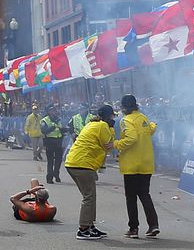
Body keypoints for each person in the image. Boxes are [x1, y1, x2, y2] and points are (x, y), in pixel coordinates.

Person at [107, 94, 159, 239]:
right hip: (146, 163)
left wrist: (116, 144)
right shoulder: (143, 118)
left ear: (123, 107)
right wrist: (153, 124)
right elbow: (151, 129)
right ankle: (153, 225)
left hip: (132, 164)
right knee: (144, 194)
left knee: (131, 197)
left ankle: (133, 228)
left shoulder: (126, 120)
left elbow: (132, 138)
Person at [65, 104, 115, 240]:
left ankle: (90, 226)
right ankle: (83, 229)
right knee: (89, 197)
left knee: (90, 197)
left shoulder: (91, 124)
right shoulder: (103, 126)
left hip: (75, 162)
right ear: (108, 116)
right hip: (82, 164)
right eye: (112, 116)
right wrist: (111, 128)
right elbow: (108, 145)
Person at [41, 104, 65, 184]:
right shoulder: (44, 120)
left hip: (58, 142)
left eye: (54, 110)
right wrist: (52, 127)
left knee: (59, 160)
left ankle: (56, 174)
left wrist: (64, 130)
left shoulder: (58, 119)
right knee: (50, 161)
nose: (53, 112)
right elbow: (44, 131)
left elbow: (60, 129)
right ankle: (49, 177)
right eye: (52, 110)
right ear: (48, 111)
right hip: (50, 142)